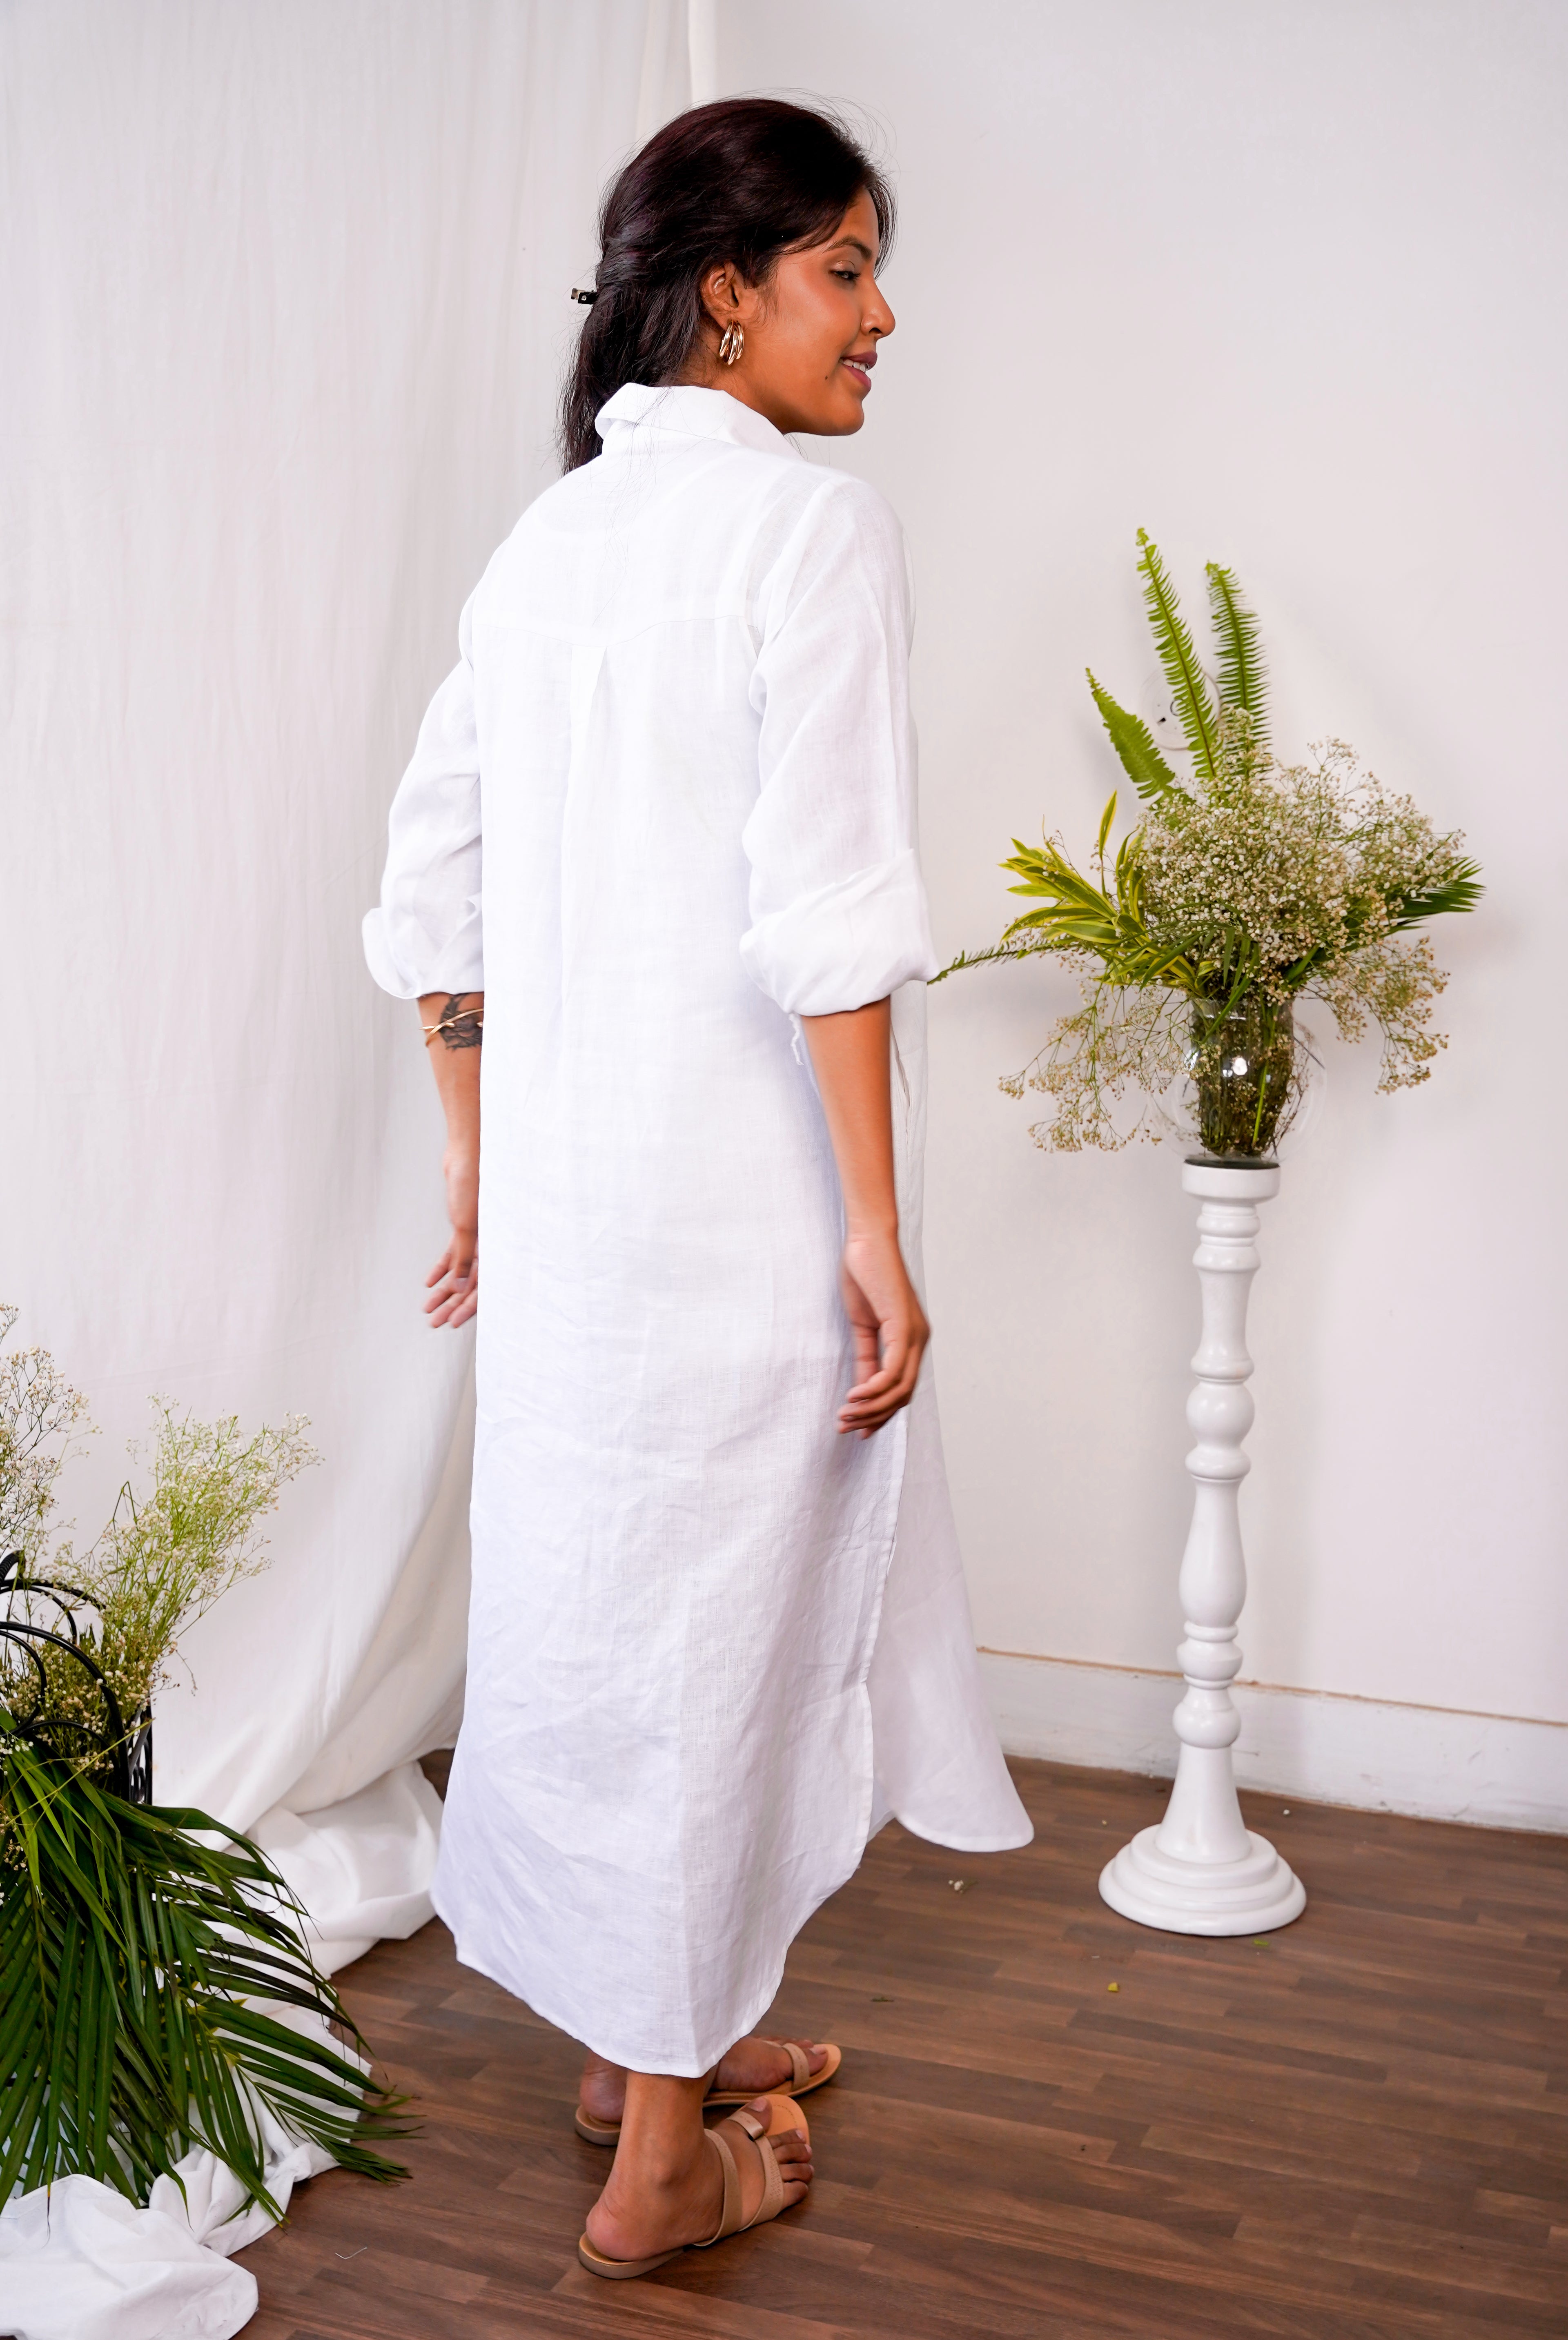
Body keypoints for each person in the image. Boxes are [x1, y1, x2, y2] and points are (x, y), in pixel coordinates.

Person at [363, 96, 1031, 2280]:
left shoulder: (546, 546)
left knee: (602, 1621)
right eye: (848, 267)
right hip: (740, 1209)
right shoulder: (807, 534)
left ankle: (646, 2042)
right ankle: (663, 2164)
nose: (883, 313)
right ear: (728, 293)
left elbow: (433, 889)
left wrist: (480, 1159)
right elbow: (830, 911)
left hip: (580, 1223)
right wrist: (874, 1222)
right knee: (712, 1641)